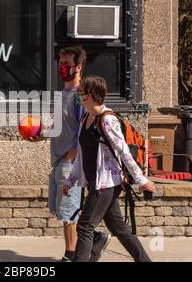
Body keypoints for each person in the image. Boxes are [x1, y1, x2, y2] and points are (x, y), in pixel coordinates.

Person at [30, 46, 110, 262]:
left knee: (68, 213)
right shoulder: (62, 95)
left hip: (70, 161)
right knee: (59, 209)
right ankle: (96, 237)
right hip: (57, 159)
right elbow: (60, 126)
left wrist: (72, 155)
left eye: (67, 63)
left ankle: (71, 255)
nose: (62, 67)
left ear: (79, 66)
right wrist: (40, 135)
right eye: (60, 63)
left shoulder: (80, 96)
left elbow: (85, 128)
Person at [63, 75, 156, 262]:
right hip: (95, 181)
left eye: (80, 93)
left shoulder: (107, 120)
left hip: (106, 183)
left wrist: (142, 180)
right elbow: (82, 155)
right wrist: (70, 180)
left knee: (85, 226)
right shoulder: (86, 119)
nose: (78, 96)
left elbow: (123, 152)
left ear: (90, 95)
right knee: (119, 229)